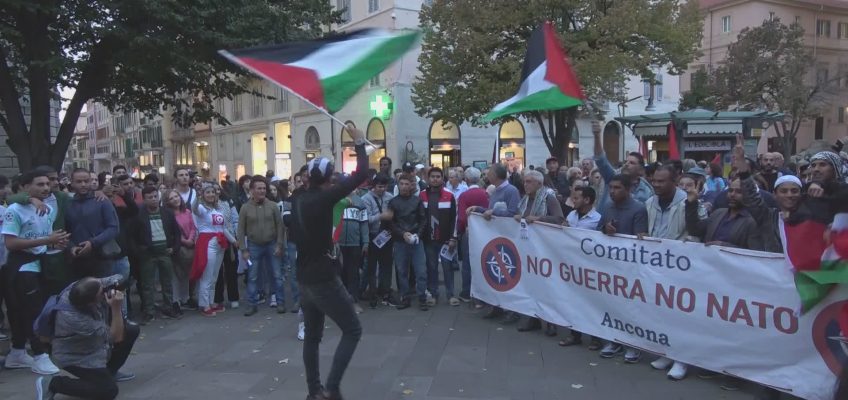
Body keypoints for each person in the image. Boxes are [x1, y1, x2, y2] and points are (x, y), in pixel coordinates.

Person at [289, 126, 368, 400]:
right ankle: (332, 388)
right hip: (322, 276)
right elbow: (361, 174)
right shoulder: (324, 198)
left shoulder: (298, 198)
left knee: (312, 336)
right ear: (327, 179)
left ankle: (314, 391)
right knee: (352, 329)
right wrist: (358, 143)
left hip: (303, 276)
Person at [3, 169, 69, 374]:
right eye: (39, 184)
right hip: (20, 267)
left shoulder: (47, 209)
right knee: (32, 312)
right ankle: (39, 354)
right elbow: (11, 243)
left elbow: (43, 239)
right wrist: (46, 241)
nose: (46, 188)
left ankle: (17, 352)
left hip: (40, 264)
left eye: (47, 184)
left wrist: (54, 244)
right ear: (25, 187)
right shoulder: (14, 210)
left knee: (28, 310)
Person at [38, 275, 139, 400]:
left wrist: (118, 284)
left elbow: (107, 280)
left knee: (131, 330)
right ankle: (53, 383)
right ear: (91, 303)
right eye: (101, 292)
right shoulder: (75, 319)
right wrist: (116, 307)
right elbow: (116, 337)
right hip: (75, 357)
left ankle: (109, 372)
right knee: (108, 390)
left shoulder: (78, 288)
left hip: (94, 346)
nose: (103, 289)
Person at [596, 174, 648, 360]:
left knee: (632, 307)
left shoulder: (639, 209)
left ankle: (633, 344)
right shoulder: (608, 206)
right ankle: (616, 340)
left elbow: (640, 238)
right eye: (611, 187)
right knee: (614, 303)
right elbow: (600, 228)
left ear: (628, 189)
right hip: (611, 265)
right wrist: (605, 229)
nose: (612, 191)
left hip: (631, 267)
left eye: (617, 188)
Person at [513, 169, 564, 335]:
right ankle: (532, 317)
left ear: (539, 184)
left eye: (529, 182)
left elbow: (559, 218)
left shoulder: (548, 197)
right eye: (525, 181)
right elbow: (520, 214)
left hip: (546, 248)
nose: (525, 184)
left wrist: (539, 219)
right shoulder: (526, 199)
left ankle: (550, 321)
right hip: (528, 247)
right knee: (531, 284)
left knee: (546, 285)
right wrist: (517, 216)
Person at [469, 164, 521, 321]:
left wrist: (494, 212)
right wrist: (478, 209)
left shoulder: (511, 191)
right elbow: (489, 211)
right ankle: (497, 306)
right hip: (496, 236)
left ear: (497, 175)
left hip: (507, 237)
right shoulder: (495, 191)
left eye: (489, 172)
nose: (486, 174)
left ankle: (511, 310)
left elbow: (512, 212)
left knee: (508, 274)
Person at [129, 186, 181, 322]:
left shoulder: (167, 213)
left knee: (167, 282)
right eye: (150, 197)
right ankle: (149, 310)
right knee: (147, 284)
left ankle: (168, 307)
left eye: (155, 196)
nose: (153, 199)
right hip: (148, 254)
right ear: (144, 200)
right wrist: (139, 251)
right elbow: (132, 236)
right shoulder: (139, 215)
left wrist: (174, 248)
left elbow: (176, 232)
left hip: (165, 251)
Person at [384, 174, 428, 311]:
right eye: (401, 184)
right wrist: (402, 234)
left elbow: (423, 220)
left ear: (411, 185)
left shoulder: (417, 201)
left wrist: (417, 235)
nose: (404, 186)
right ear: (398, 185)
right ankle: (405, 296)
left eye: (406, 184)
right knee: (401, 271)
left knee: (421, 270)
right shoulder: (393, 202)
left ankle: (422, 297)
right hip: (400, 241)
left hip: (415, 240)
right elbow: (390, 222)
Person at [66, 168, 120, 279]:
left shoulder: (102, 201)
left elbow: (113, 228)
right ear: (72, 183)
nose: (83, 184)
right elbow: (65, 231)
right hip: (77, 259)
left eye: (86, 181)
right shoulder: (67, 204)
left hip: (101, 257)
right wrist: (71, 247)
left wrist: (92, 243)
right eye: (79, 181)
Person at [592, 121, 654, 214]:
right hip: (605, 225)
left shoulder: (646, 191)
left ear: (640, 170)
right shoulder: (612, 177)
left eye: (632, 163)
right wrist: (597, 136)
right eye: (626, 162)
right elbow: (601, 160)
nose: (627, 164)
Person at [191, 185, 234, 317]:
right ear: (203, 194)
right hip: (207, 242)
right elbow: (193, 208)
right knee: (207, 275)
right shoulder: (201, 209)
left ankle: (211, 301)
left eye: (213, 192)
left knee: (215, 275)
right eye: (207, 192)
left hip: (220, 242)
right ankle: (204, 304)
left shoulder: (217, 209)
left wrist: (233, 241)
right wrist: (197, 196)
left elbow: (223, 228)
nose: (210, 194)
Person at [420, 167, 459, 307]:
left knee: (448, 267)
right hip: (428, 239)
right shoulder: (422, 195)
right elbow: (420, 218)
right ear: (428, 179)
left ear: (443, 179)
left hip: (446, 240)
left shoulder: (449, 196)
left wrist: (453, 238)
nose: (435, 179)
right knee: (431, 267)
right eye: (432, 176)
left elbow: (455, 218)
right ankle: (433, 294)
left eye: (438, 176)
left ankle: (450, 295)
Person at [362, 174, 397, 308]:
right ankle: (372, 292)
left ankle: (385, 290)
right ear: (374, 186)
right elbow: (366, 219)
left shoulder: (389, 197)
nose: (382, 189)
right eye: (379, 187)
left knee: (387, 265)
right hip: (373, 234)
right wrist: (381, 216)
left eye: (384, 187)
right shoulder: (366, 199)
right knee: (371, 266)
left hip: (386, 235)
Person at [456, 167, 488, 303]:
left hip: (469, 232)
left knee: (467, 263)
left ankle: (467, 291)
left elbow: (462, 218)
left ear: (466, 180)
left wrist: (459, 231)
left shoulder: (464, 196)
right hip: (485, 232)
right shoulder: (485, 193)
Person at [163, 189, 197, 311]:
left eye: (176, 196)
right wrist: (184, 241)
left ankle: (185, 298)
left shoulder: (187, 211)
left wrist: (191, 239)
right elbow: (172, 233)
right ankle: (175, 300)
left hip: (190, 246)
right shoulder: (167, 215)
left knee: (186, 274)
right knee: (176, 275)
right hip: (177, 247)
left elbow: (193, 227)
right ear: (167, 202)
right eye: (171, 198)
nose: (175, 199)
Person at [338, 183, 369, 312]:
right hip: (337, 244)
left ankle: (354, 301)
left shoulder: (360, 202)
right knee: (340, 273)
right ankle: (341, 301)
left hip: (355, 243)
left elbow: (364, 223)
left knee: (353, 273)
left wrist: (366, 242)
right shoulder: (336, 201)